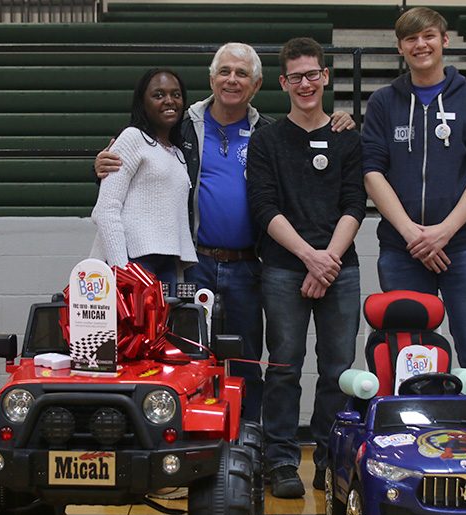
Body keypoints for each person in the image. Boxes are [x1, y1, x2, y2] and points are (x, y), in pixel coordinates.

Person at [94, 43, 355, 423]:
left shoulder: (269, 133)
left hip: (249, 267)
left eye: (242, 74)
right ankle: (188, 440)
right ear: (212, 78)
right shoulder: (181, 125)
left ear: (258, 83)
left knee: (247, 362)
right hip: (193, 263)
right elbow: (127, 168)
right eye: (225, 72)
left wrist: (340, 121)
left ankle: (250, 446)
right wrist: (98, 165)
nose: (232, 80)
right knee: (185, 356)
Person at [362, 7, 466, 404]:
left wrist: (444, 232)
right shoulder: (383, 103)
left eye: (428, 36)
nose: (420, 45)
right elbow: (372, 172)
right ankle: (412, 442)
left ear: (444, 40)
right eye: (410, 39)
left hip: (465, 246)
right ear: (400, 48)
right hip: (402, 250)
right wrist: (413, 234)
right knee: (408, 355)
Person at [247, 37, 366, 498]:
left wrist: (328, 261)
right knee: (283, 368)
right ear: (283, 83)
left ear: (325, 77)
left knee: (339, 369)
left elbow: (355, 203)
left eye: (312, 74)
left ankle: (330, 455)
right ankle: (279, 460)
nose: (305, 83)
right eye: (295, 76)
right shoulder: (268, 139)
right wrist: (309, 258)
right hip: (283, 268)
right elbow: (263, 206)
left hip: (340, 268)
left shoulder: (347, 137)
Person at [89, 68, 196, 291]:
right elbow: (106, 210)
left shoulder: (177, 152)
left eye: (176, 95)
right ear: (142, 102)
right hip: (134, 262)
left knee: (164, 326)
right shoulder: (132, 138)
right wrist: (123, 270)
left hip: (167, 262)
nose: (169, 101)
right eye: (158, 95)